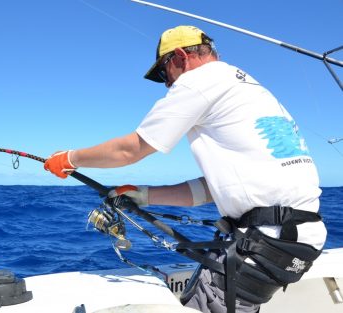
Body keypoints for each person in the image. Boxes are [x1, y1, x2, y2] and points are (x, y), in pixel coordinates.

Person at [44, 25, 326, 313]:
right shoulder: (249, 88)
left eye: (165, 74)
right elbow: (212, 188)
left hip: (265, 240)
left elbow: (130, 149)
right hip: (300, 238)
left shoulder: (199, 81)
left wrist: (70, 158)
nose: (168, 85)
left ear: (180, 56)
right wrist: (145, 194)